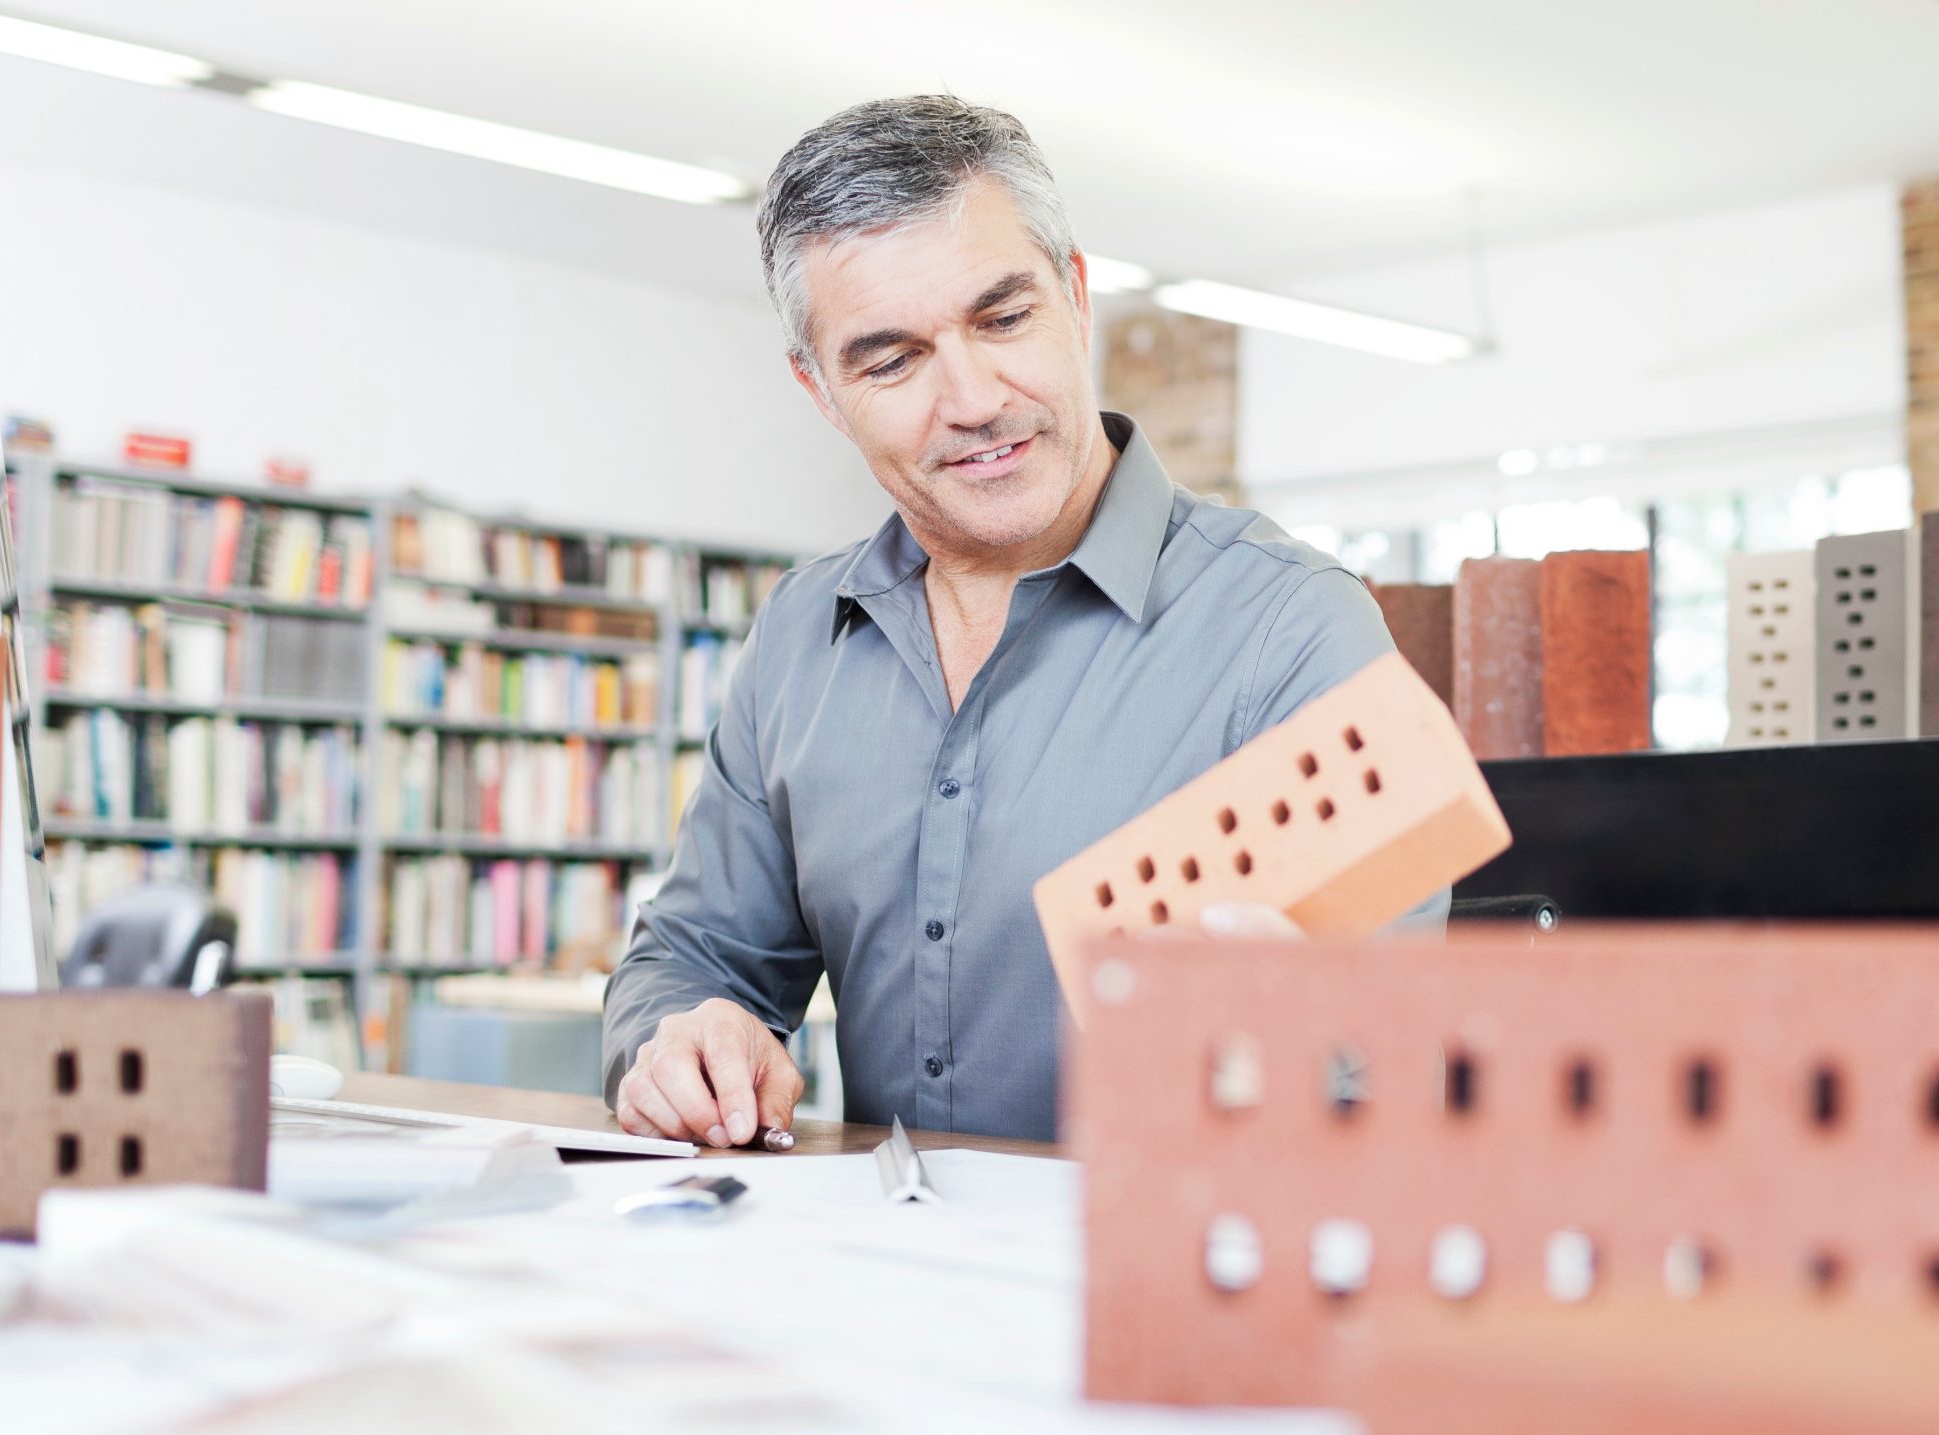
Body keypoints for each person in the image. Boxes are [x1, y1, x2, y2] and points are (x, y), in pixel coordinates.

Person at [603, 94, 1423, 1148]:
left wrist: (1296, 1043)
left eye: (1002, 319)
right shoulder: (800, 641)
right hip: (877, 1279)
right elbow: (693, 955)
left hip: (1175, 1287)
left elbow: (1382, 1068)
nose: (975, 397)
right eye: (891, 359)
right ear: (820, 390)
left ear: (1075, 298)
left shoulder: (1299, 631)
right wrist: (682, 1037)